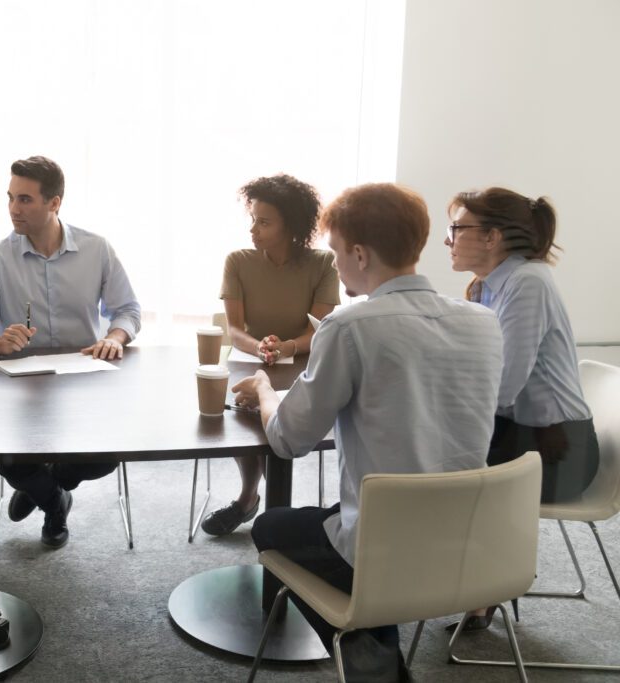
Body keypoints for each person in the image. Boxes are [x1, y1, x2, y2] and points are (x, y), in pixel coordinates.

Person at [233, 183, 503, 681]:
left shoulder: (351, 326)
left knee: (273, 526)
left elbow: (289, 440)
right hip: (475, 543)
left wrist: (266, 390)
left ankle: (375, 663)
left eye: (336, 252)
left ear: (359, 253)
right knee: (343, 511)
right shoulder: (484, 322)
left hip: (387, 549)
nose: (335, 264)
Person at [0, 155, 141, 548]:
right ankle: (56, 503)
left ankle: (43, 485)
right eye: (10, 197)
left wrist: (115, 337)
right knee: (5, 455)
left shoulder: (97, 249)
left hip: (86, 380)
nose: (13, 208)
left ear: (54, 203)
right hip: (21, 388)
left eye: (25, 199)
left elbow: (128, 310)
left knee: (107, 454)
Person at [445, 186, 600, 631]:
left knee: (432, 471)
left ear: (492, 237)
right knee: (426, 459)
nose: (448, 239)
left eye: (456, 228)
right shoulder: (493, 284)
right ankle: (467, 580)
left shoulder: (527, 282)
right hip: (525, 437)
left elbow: (503, 387)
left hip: (560, 454)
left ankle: (482, 582)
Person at [200, 174, 339, 536]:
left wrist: (287, 348)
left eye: (264, 222)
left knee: (283, 419)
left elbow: (318, 330)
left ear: (291, 226)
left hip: (302, 363)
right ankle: (249, 498)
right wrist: (261, 347)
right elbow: (236, 330)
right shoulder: (239, 261)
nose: (253, 230)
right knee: (242, 412)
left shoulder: (323, 263)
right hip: (251, 359)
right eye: (253, 220)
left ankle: (273, 512)